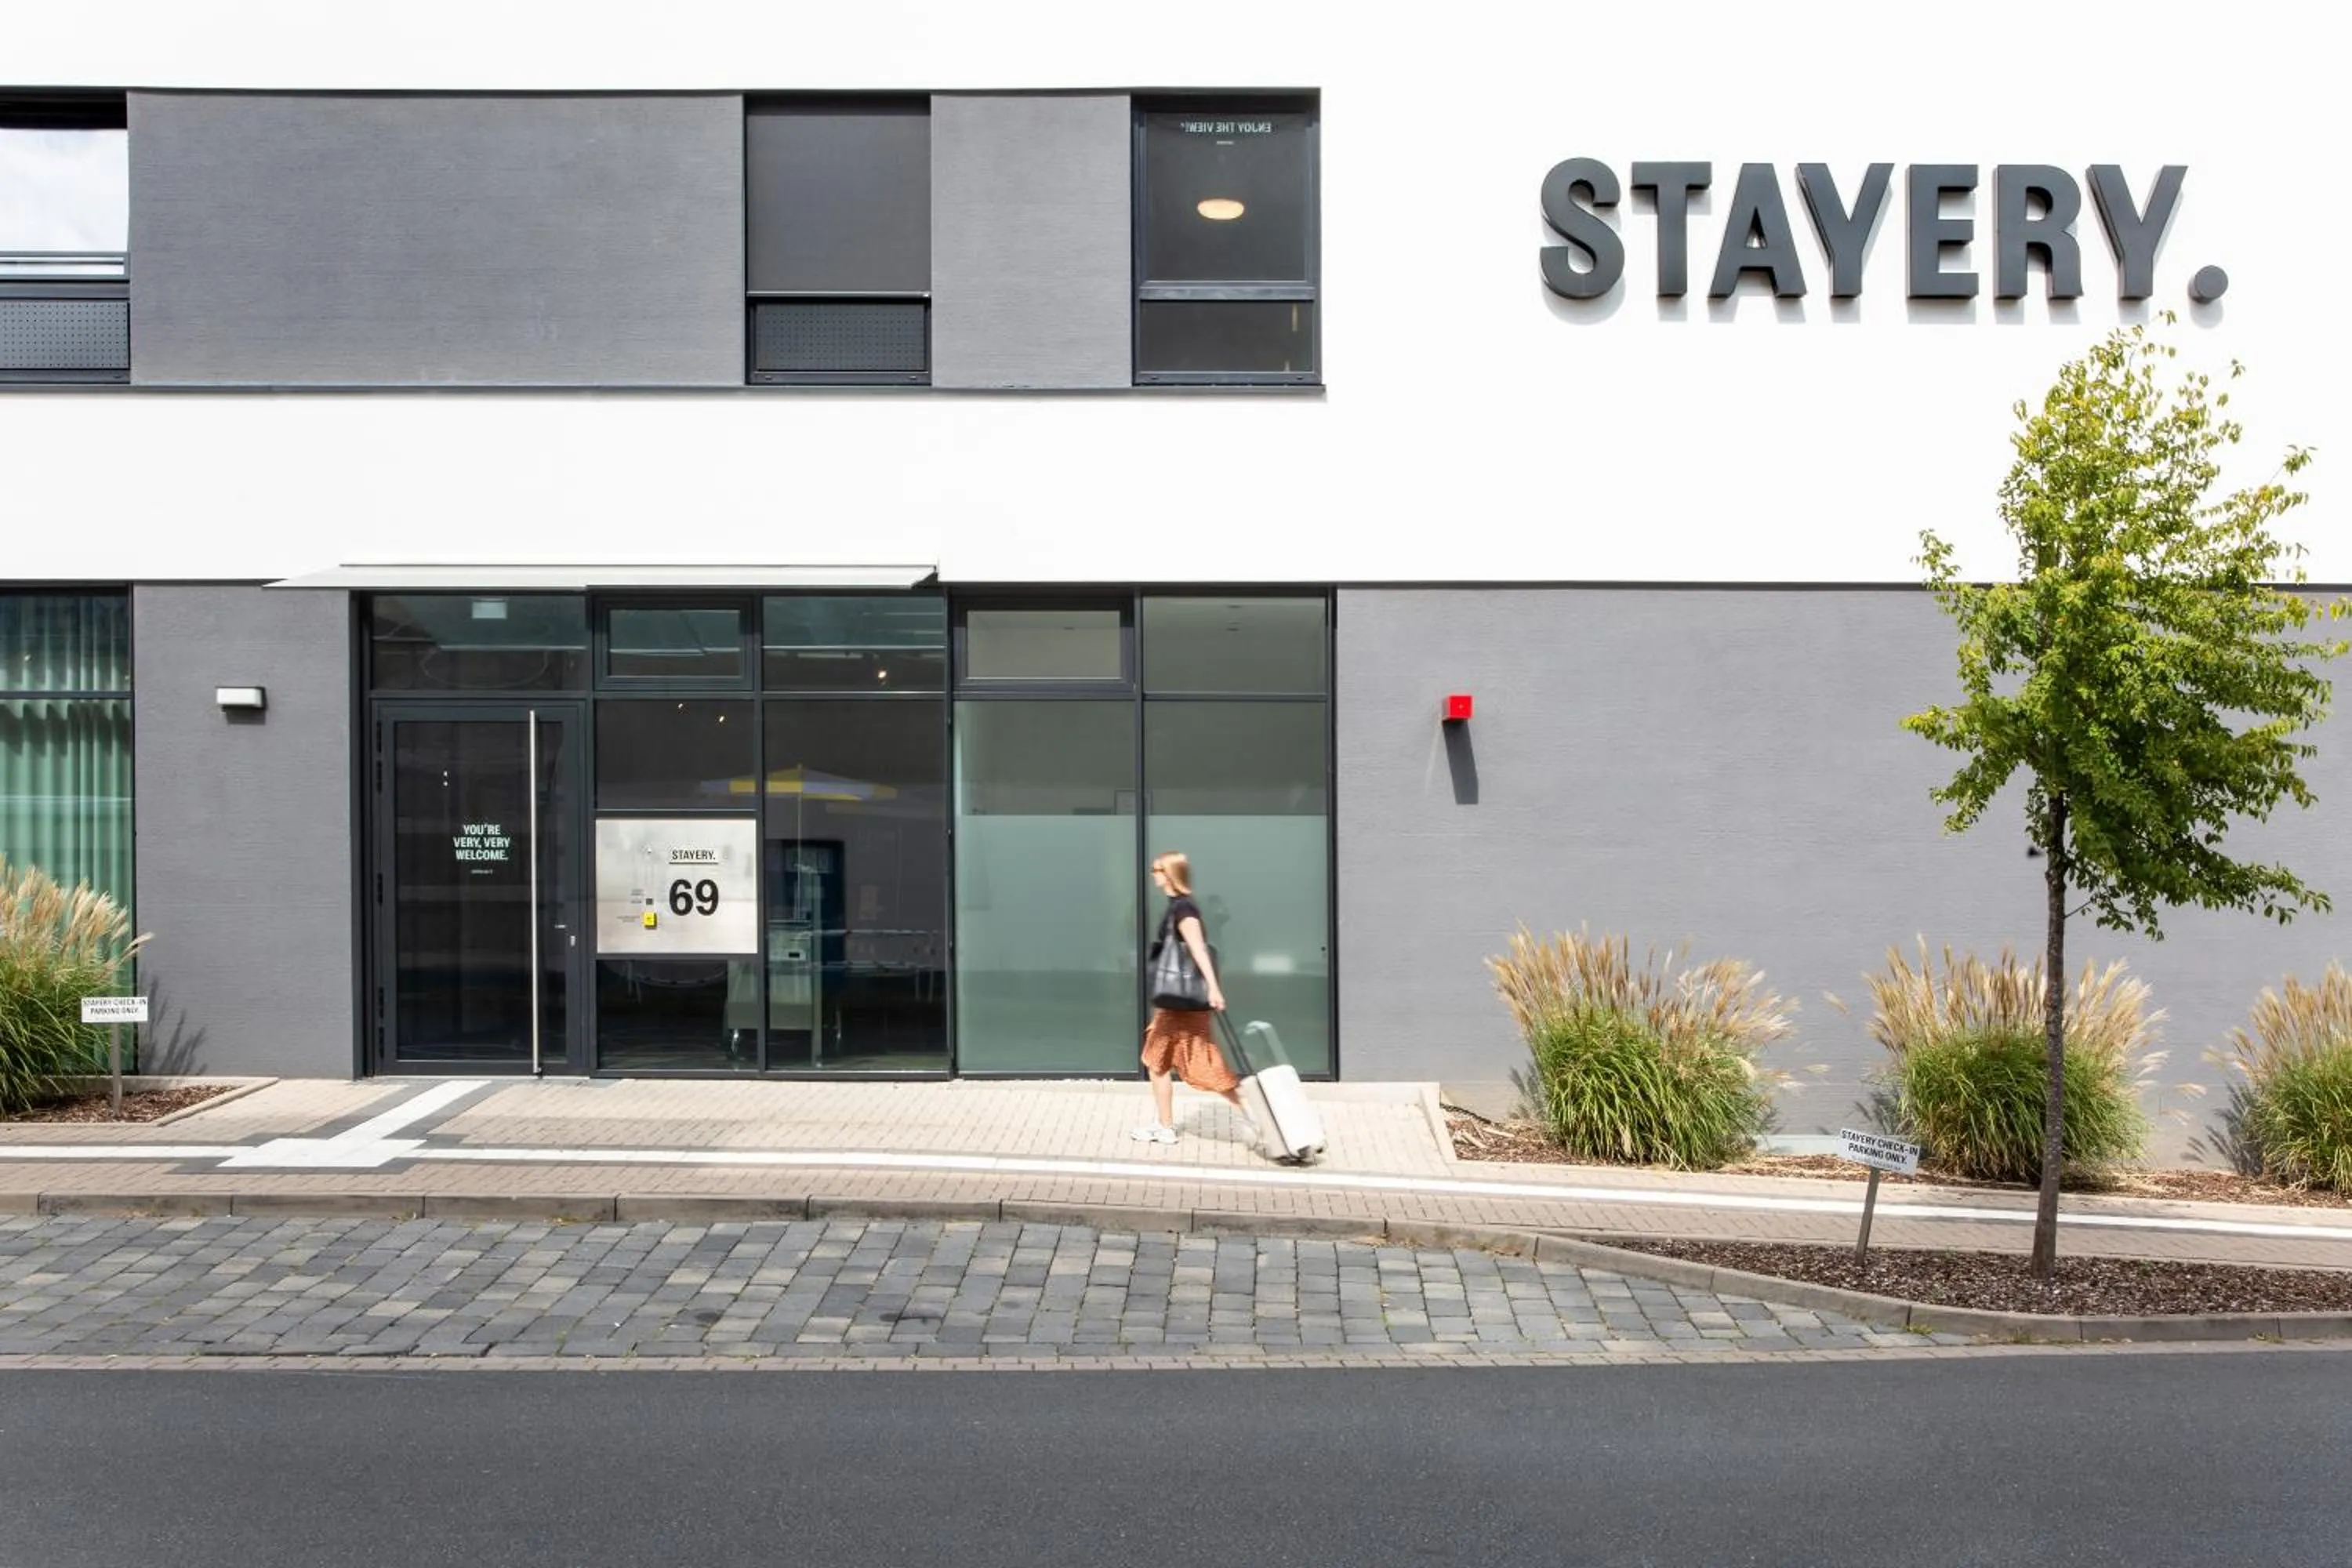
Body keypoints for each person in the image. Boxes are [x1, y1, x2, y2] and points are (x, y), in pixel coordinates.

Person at [1131, 851, 1254, 1145]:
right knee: (1158, 1061)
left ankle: (1253, 1117)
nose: (1153, 874)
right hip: (1175, 1007)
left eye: (1157, 869)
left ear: (1170, 872)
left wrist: (1213, 987)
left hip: (1182, 1006)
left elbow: (1199, 950)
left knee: (1188, 1064)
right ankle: (1166, 1125)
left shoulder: (1184, 910)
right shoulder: (1177, 906)